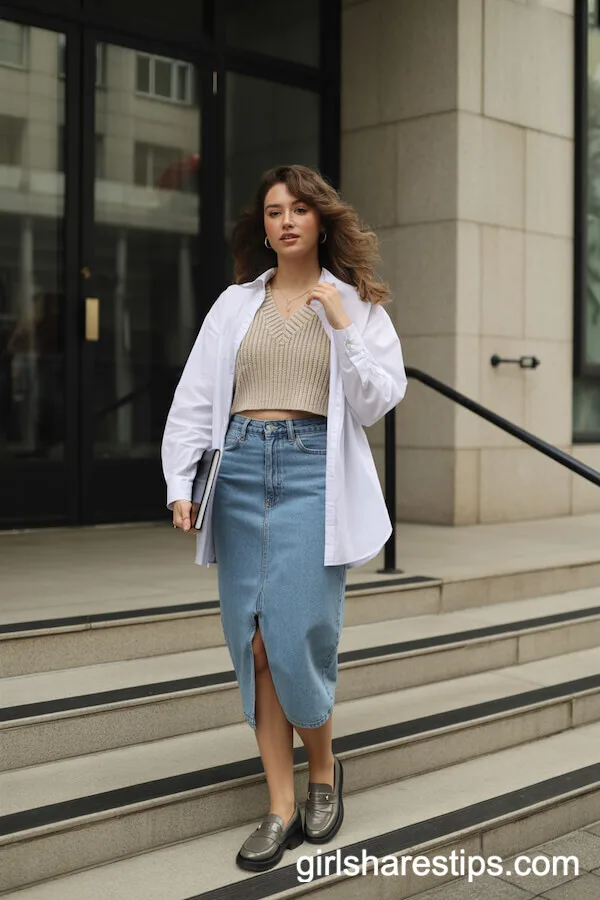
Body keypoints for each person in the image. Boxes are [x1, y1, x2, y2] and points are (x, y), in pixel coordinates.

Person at [161, 164, 407, 871]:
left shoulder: (356, 304)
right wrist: (181, 481)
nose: (287, 221)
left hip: (310, 473)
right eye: (274, 212)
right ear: (263, 228)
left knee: (297, 637)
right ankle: (278, 805)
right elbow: (195, 398)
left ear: (321, 221)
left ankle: (323, 772)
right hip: (240, 469)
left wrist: (341, 325)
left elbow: (377, 400)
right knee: (255, 642)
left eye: (299, 209)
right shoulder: (235, 303)